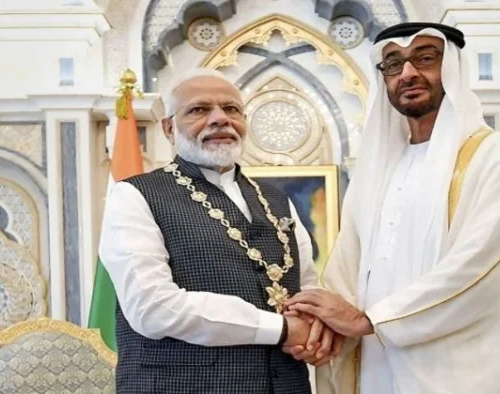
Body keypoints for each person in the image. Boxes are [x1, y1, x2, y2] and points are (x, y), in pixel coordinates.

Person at [283, 23, 500, 393]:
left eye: (425, 58)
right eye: (393, 64)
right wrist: (325, 325)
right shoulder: (379, 170)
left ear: (453, 68)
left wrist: (371, 320)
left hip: (463, 372)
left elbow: (479, 268)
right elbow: (346, 266)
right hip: (376, 370)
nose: (408, 72)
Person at [98, 68, 340, 393]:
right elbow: (153, 308)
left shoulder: (276, 199)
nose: (219, 119)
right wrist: (281, 329)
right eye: (199, 110)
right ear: (169, 128)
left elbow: (305, 284)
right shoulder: (135, 195)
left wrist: (315, 328)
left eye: (231, 109)